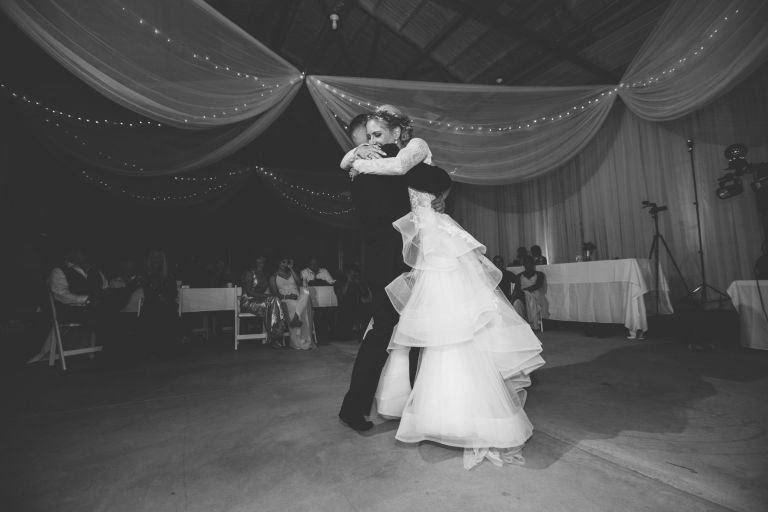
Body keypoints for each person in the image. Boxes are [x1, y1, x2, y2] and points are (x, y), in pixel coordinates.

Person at [364, 144, 544, 470]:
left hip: (435, 252)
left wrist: (355, 160)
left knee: (448, 334)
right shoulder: (426, 189)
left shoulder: (411, 173)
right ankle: (447, 413)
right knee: (446, 335)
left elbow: (412, 176)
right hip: (436, 249)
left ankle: (452, 415)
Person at [338, 106, 443, 432]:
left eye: (376, 136)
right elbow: (437, 178)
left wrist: (353, 157)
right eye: (368, 139)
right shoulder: (387, 163)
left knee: (382, 333)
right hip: (399, 262)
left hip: (378, 261)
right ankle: (418, 409)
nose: (373, 144)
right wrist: (442, 187)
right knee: (415, 333)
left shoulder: (358, 170)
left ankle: (354, 408)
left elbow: (433, 181)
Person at [139, 249, 180, 359]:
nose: (156, 260)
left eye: (159, 258)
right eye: (154, 258)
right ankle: (152, 350)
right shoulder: (145, 275)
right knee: (152, 313)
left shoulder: (169, 275)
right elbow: (147, 291)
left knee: (167, 312)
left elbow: (174, 292)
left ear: (163, 260)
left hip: (167, 303)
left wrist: (165, 297)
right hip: (151, 304)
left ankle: (166, 350)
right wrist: (156, 298)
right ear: (150, 260)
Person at [240, 255, 288, 348]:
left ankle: (275, 334)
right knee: (272, 302)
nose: (262, 260)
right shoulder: (249, 273)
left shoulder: (265, 274)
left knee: (275, 300)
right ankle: (276, 334)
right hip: (248, 301)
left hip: (261, 301)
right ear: (255, 260)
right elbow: (249, 292)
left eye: (263, 259)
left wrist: (276, 278)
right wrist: (267, 296)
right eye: (259, 258)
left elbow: (271, 291)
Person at [270, 257, 315, 350]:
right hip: (285, 299)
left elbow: (299, 283)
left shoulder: (291, 273)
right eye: (283, 262)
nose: (285, 264)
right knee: (296, 306)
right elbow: (275, 293)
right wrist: (288, 297)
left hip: (298, 298)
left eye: (287, 262)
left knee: (306, 295)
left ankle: (296, 320)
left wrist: (291, 268)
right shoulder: (273, 276)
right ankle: (296, 341)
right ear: (278, 263)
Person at [512, 256, 549, 332]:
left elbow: (537, 286)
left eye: (530, 263)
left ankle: (531, 321)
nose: (528, 265)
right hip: (522, 298)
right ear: (524, 265)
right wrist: (522, 293)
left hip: (537, 298)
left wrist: (523, 292)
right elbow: (516, 289)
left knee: (527, 295)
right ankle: (520, 325)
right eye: (526, 263)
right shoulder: (519, 276)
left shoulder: (540, 274)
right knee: (516, 303)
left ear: (533, 264)